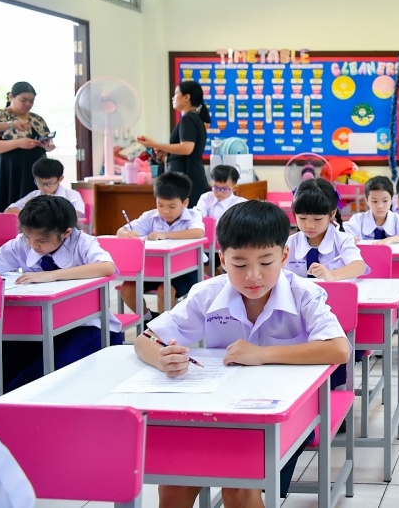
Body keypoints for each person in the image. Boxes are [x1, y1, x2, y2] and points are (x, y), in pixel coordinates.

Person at [135, 200, 351, 508]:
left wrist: (262, 354)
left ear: (284, 256)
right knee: (173, 485)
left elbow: (339, 348)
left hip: (283, 414)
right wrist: (161, 357)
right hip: (216, 411)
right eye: (239, 264)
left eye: (266, 262)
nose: (253, 276)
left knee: (239, 489)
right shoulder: (208, 294)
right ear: (222, 259)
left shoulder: (304, 294)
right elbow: (145, 340)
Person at [0, 196, 120, 391]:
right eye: (27, 237)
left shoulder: (81, 242)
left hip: (85, 325)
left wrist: (52, 275)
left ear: (66, 232)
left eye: (42, 240)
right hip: (35, 323)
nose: (33, 245)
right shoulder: (22, 243)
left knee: (43, 372)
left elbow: (107, 267)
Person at [116, 172, 205, 316]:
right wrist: (127, 234)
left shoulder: (193, 215)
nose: (165, 211)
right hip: (155, 268)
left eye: (172, 206)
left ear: (185, 203)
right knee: (127, 288)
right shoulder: (150, 216)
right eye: (160, 205)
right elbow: (121, 231)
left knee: (165, 290)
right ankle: (148, 318)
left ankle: (168, 325)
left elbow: (198, 233)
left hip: (186, 269)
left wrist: (164, 235)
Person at [137, 81, 210, 208]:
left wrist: (156, 144)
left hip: (188, 179)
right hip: (190, 177)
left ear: (186, 97)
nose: (173, 98)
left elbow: (187, 148)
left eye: (176, 93)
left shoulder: (188, 119)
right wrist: (167, 151)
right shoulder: (194, 118)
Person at [0, 82, 56, 213]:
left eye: (31, 101)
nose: (28, 104)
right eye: (23, 100)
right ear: (11, 97)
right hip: (11, 169)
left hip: (37, 168)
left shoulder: (37, 119)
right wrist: (17, 143)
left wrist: (47, 146)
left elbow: (50, 143)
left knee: (38, 207)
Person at [285, 178, 367, 281]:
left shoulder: (343, 240)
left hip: (334, 291)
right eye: (302, 218)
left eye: (317, 219)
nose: (309, 225)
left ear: (332, 214)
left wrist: (332, 275)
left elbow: (359, 266)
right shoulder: (289, 243)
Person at [344, 176, 399, 245]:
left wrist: (390, 239)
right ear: (367, 200)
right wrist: (350, 238)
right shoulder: (358, 219)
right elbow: (343, 232)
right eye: (374, 201)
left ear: (391, 199)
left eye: (385, 201)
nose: (380, 206)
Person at [4, 157, 84, 216]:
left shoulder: (72, 195)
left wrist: (33, 216)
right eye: (40, 183)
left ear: (60, 179)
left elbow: (73, 216)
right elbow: (9, 211)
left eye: (49, 183)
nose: (45, 187)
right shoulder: (34, 195)